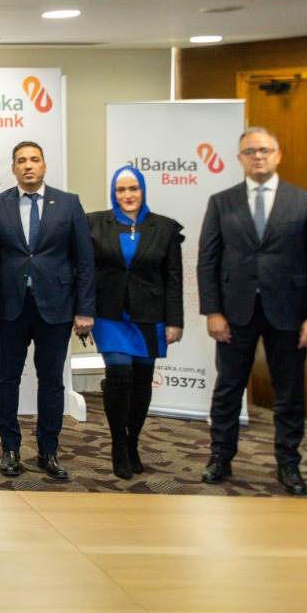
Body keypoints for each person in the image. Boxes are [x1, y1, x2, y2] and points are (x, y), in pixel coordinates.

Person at [198, 126, 307, 495]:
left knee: (289, 393)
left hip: (290, 313)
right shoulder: (221, 202)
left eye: (264, 150)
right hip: (234, 313)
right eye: (250, 151)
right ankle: (220, 457)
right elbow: (208, 261)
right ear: (239, 158)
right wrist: (213, 311)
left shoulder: (305, 202)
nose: (258, 156)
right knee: (228, 388)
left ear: (278, 156)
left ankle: (288, 464)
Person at [0, 140, 95, 481]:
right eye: (22, 161)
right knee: (6, 379)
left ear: (44, 165)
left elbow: (85, 260)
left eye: (34, 160)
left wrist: (85, 309)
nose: (28, 165)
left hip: (56, 308)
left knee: (51, 382)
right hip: (10, 307)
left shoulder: (69, 203)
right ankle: (10, 449)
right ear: (13, 168)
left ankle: (49, 450)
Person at [87, 165, 184, 480]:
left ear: (143, 191)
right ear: (113, 193)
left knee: (142, 381)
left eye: (133, 189)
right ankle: (118, 445)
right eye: (121, 190)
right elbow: (85, 272)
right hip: (109, 314)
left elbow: (173, 279)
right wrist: (83, 311)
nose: (127, 195)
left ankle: (132, 443)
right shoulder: (94, 224)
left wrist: (175, 321)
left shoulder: (165, 228)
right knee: (119, 375)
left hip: (149, 316)